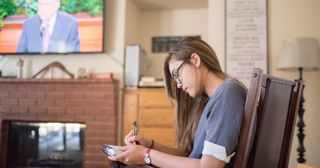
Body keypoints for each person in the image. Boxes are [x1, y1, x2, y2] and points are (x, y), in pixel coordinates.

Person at [109, 37, 247, 168]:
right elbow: (189, 156)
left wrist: (145, 155)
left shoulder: (228, 92)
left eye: (176, 74)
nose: (179, 85)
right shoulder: (213, 99)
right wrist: (148, 145)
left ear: (195, 60)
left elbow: (209, 166)